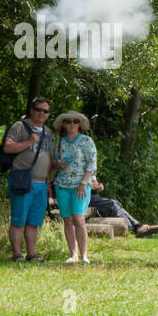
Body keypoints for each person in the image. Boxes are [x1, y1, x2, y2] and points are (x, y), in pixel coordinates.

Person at [2, 98, 53, 262]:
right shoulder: (20, 126)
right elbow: (7, 147)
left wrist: (48, 181)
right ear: (32, 110)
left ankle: (32, 255)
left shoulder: (48, 132)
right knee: (19, 219)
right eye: (38, 109)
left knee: (34, 222)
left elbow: (49, 157)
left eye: (45, 111)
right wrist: (29, 142)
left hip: (41, 183)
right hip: (23, 179)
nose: (41, 113)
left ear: (48, 114)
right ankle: (17, 255)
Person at [50, 111, 97, 263]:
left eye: (75, 121)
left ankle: (84, 256)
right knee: (68, 220)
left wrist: (84, 183)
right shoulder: (59, 142)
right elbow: (55, 163)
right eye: (68, 121)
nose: (72, 124)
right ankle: (73, 255)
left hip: (80, 186)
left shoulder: (86, 141)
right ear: (63, 124)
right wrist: (57, 164)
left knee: (79, 218)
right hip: (62, 185)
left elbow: (92, 163)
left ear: (79, 124)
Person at [87, 180, 158, 237]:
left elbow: (93, 186)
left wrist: (99, 187)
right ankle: (136, 228)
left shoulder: (90, 169)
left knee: (115, 203)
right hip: (84, 199)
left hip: (93, 197)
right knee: (112, 204)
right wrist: (89, 185)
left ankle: (137, 227)